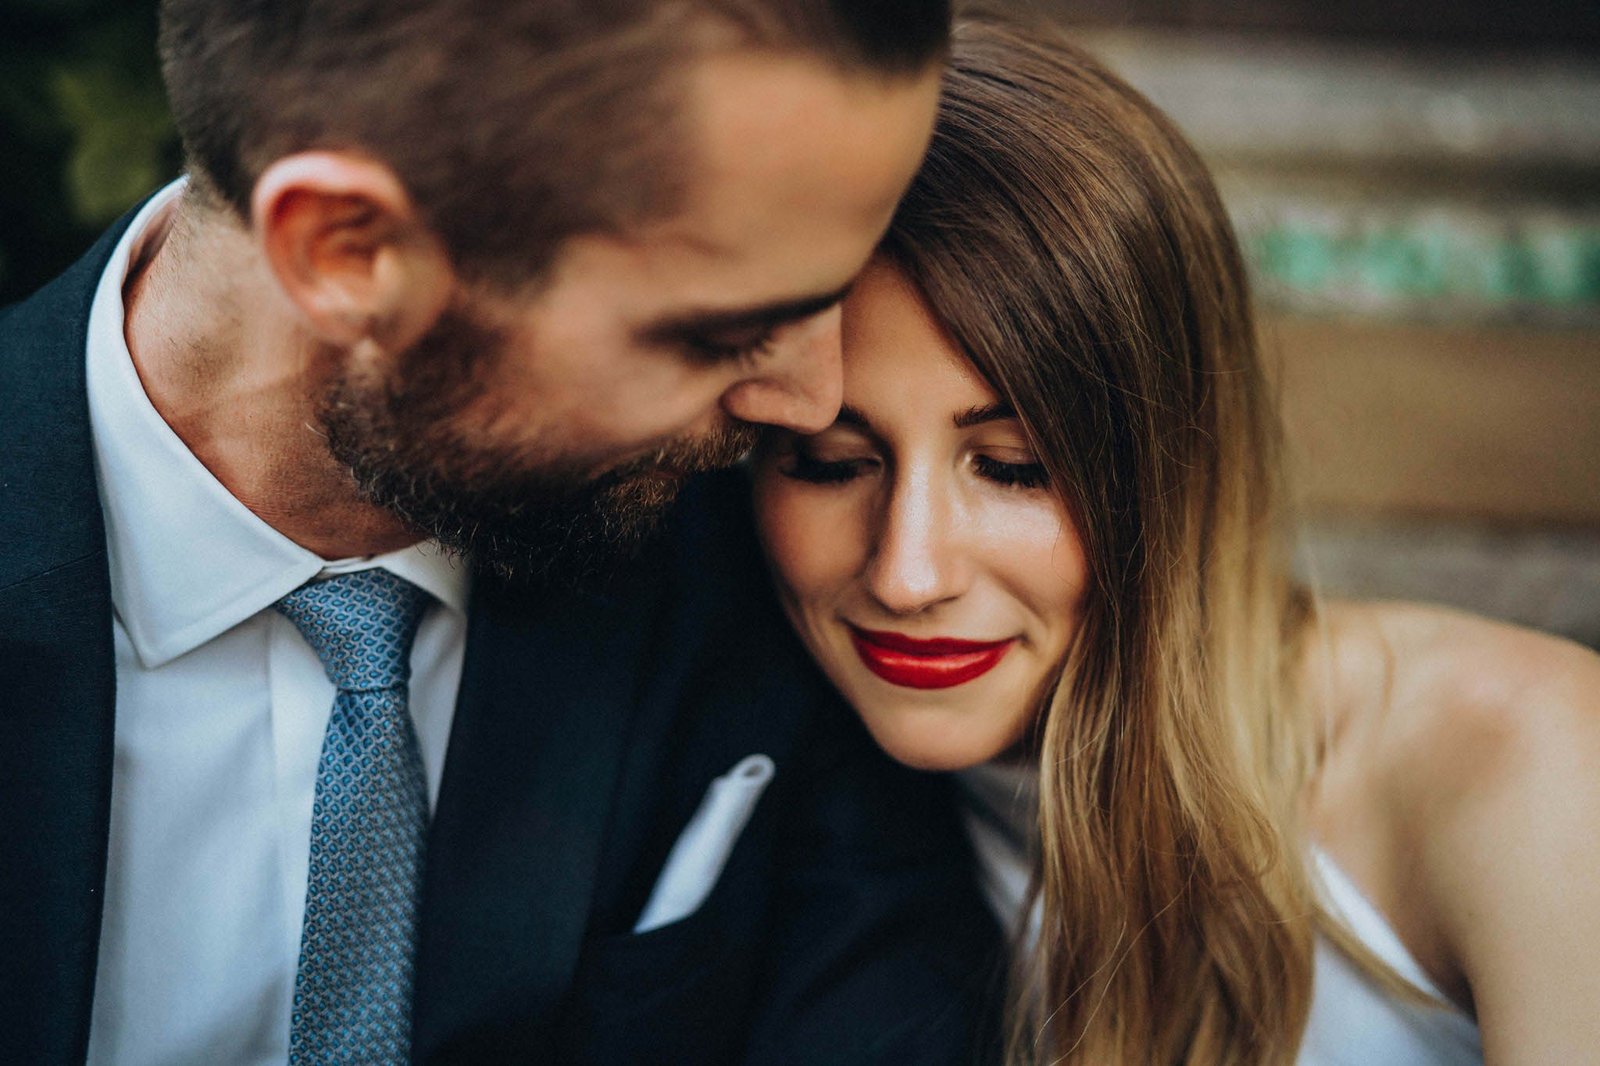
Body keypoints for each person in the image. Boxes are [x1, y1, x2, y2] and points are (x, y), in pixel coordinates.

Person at [0, 1, 1004, 1063]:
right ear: (346, 253)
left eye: (830, 295)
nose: (809, 402)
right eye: (726, 329)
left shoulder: (777, 565)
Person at [752, 12, 1600, 1064]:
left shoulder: (1516, 760)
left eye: (1016, 467)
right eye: (831, 463)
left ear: (1169, 461)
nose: (906, 571)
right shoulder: (785, 775)